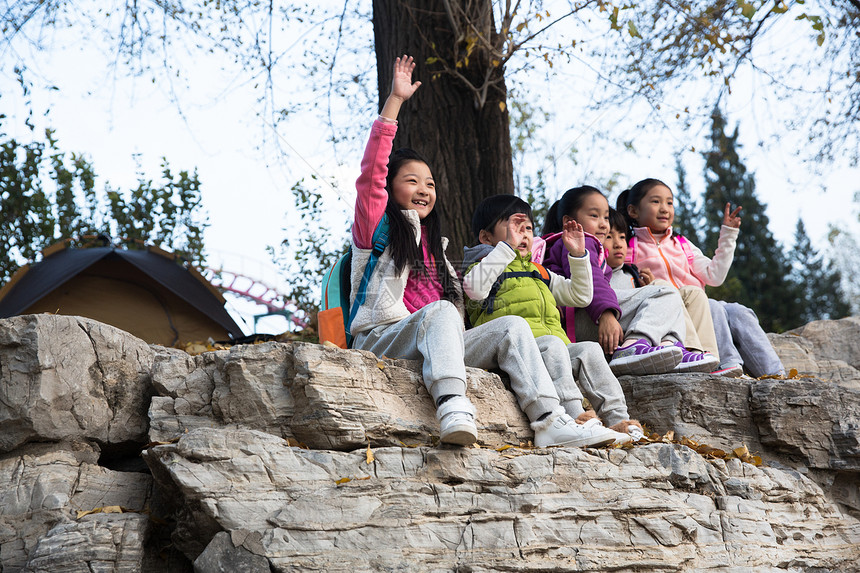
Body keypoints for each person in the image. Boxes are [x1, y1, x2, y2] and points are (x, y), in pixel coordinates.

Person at [350, 55, 617, 448]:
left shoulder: (436, 250)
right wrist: (395, 102)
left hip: (436, 341)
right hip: (382, 336)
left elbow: (463, 305)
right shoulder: (377, 228)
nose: (425, 189)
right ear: (389, 190)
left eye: (431, 183)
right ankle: (453, 403)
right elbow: (372, 172)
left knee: (512, 327)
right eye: (412, 181)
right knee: (439, 312)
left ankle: (549, 420)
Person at [462, 194, 645, 443]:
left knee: (589, 350)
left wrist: (578, 255)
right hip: (518, 350)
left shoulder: (539, 271)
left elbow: (580, 296)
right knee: (552, 344)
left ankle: (618, 420)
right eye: (514, 227)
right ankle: (575, 416)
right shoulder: (484, 265)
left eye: (527, 228)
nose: (523, 234)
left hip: (553, 349)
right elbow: (474, 289)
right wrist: (505, 250)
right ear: (486, 237)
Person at [616, 178, 785, 378]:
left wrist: (729, 235)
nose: (664, 209)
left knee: (739, 311)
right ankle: (725, 363)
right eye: (655, 202)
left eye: (669, 202)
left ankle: (776, 374)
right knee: (713, 306)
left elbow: (714, 276)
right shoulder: (629, 248)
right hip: (673, 314)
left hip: (698, 306)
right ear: (633, 211)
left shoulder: (682, 244)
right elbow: (626, 283)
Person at [541, 186, 718, 375]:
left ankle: (671, 348)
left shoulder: (581, 244)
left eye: (606, 217)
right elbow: (592, 282)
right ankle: (633, 345)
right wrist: (606, 314)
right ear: (569, 221)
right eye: (594, 216)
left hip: (589, 315)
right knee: (664, 293)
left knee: (666, 298)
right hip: (581, 319)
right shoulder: (578, 242)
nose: (603, 224)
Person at [604, 207, 720, 366]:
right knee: (664, 288)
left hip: (641, 319)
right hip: (626, 329)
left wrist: (648, 285)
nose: (618, 244)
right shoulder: (598, 271)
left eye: (622, 237)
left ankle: (704, 356)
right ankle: (682, 349)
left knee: (694, 293)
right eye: (609, 237)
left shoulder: (630, 272)